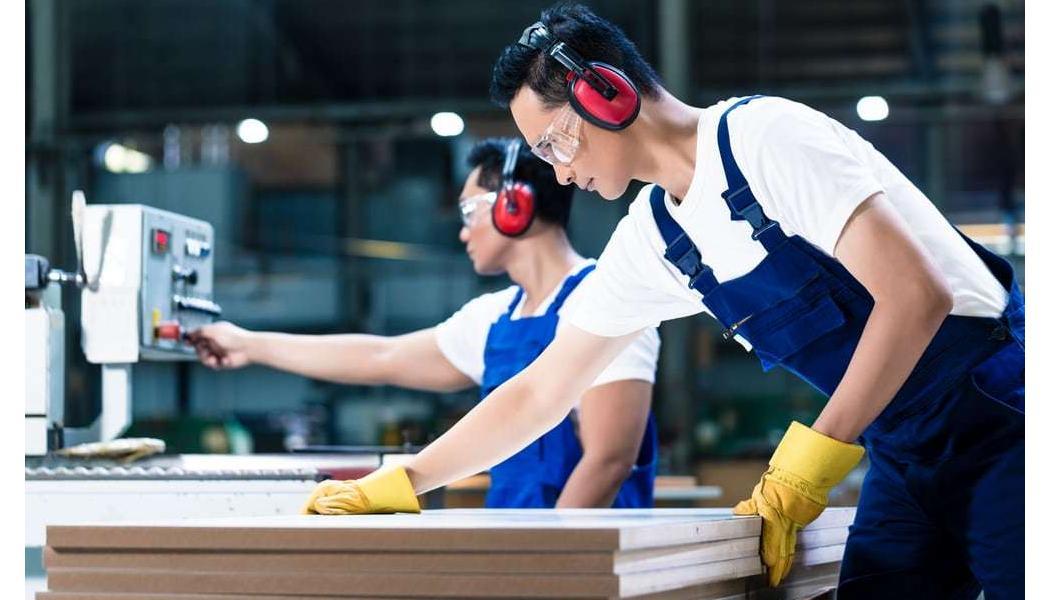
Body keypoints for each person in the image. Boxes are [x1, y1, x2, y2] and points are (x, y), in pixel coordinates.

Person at [299, 5, 1023, 598]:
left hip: (1003, 414)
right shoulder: (658, 236)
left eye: (553, 145)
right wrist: (408, 477)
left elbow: (915, 297)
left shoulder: (764, 139)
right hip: (900, 447)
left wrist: (803, 468)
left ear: (605, 95)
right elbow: (543, 390)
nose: (559, 173)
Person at [189, 137, 660, 509]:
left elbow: (608, 459)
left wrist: (556, 563)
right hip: (520, 544)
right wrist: (249, 344)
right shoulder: (496, 318)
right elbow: (382, 356)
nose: (462, 232)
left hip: (585, 559)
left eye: (469, 211)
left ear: (514, 205)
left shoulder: (608, 302)